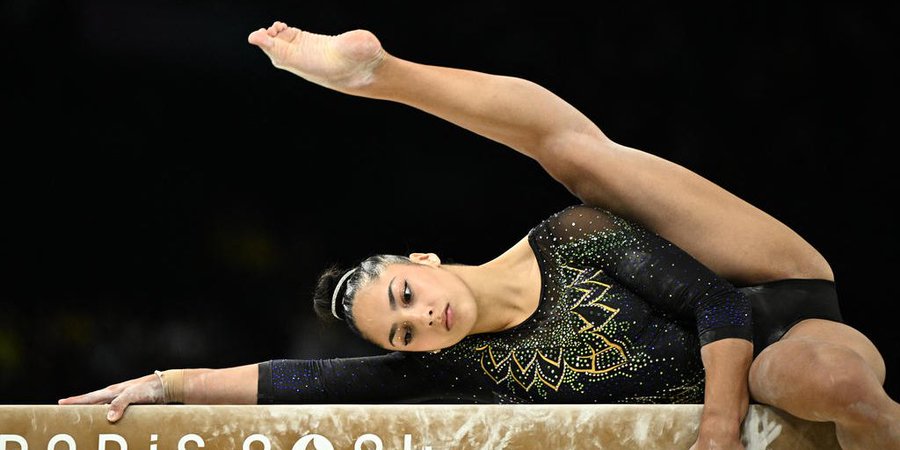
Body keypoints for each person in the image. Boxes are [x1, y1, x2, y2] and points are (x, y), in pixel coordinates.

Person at [59, 21, 899, 450]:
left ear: (422, 261)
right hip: (772, 372)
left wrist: (717, 432)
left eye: (405, 296)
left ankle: (379, 75)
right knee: (831, 387)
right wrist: (166, 386)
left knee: (578, 157)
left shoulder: (571, 237)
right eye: (401, 334)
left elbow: (718, 304)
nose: (418, 321)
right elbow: (299, 380)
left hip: (768, 295)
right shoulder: (454, 365)